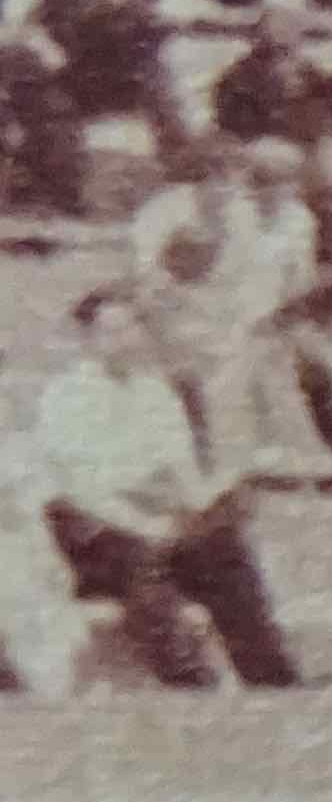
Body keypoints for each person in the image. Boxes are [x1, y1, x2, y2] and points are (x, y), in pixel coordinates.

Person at [29, 277, 307, 688]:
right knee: (136, 559)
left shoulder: (155, 392)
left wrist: (211, 503)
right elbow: (85, 489)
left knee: (225, 549)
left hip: (158, 518)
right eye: (112, 331)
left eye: (132, 328)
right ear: (88, 338)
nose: (125, 340)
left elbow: (182, 474)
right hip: (96, 529)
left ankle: (271, 676)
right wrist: (149, 525)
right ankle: (190, 681)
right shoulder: (65, 396)